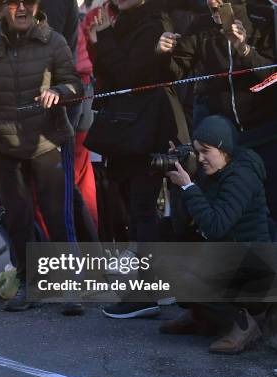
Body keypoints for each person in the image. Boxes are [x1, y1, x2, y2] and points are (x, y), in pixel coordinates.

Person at [0, 0, 84, 312]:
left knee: (57, 217)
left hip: (48, 143)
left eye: (28, 3)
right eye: (13, 3)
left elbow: (74, 83)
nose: (21, 9)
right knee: (18, 219)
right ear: (2, 8)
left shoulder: (55, 41)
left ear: (37, 8)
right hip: (5, 146)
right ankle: (28, 283)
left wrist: (60, 92)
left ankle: (72, 287)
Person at [86, 0, 188, 319]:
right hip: (131, 129)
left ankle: (143, 294)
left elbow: (131, 74)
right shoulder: (125, 22)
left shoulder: (153, 22)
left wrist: (103, 39)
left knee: (142, 209)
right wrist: (99, 40)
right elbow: (109, 79)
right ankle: (157, 286)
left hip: (148, 130)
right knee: (138, 209)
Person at [156, 0, 277, 221]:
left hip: (265, 134)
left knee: (269, 206)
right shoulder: (200, 23)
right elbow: (174, 74)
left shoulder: (264, 16)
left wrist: (245, 49)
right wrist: (164, 53)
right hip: (225, 143)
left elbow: (273, 78)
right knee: (229, 213)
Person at [163, 115, 271, 354]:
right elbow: (182, 228)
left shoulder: (241, 176)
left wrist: (189, 188)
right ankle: (202, 315)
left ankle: (247, 322)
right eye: (196, 152)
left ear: (224, 149)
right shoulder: (211, 172)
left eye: (206, 152)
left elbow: (216, 226)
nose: (200, 158)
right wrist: (179, 183)